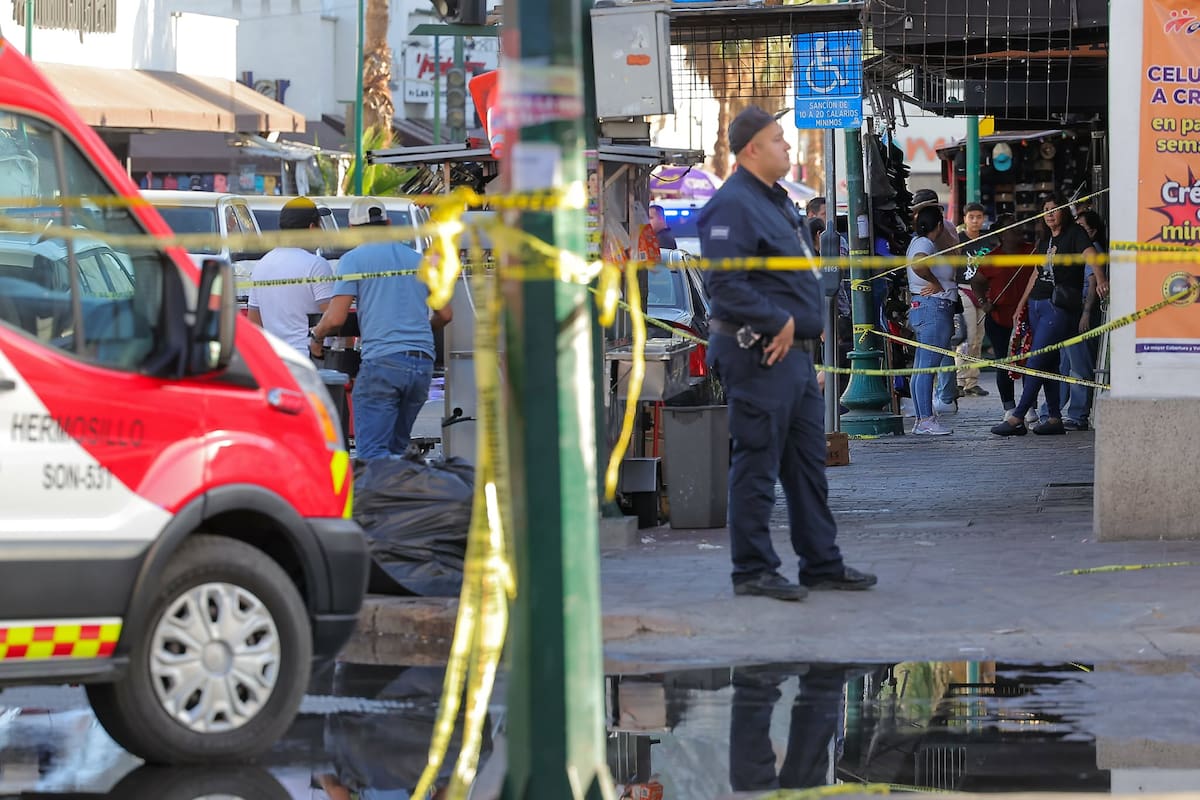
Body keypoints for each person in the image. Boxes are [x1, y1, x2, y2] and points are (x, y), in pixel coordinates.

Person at [698, 105, 876, 602]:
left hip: (794, 356)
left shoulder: (777, 202)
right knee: (757, 462)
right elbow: (724, 285)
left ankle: (821, 563)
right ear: (752, 148)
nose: (788, 145)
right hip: (759, 353)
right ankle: (753, 570)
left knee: (807, 467)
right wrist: (779, 321)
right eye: (778, 138)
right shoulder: (733, 205)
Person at [310, 197, 452, 459]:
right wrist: (420, 332)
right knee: (396, 450)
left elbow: (336, 318)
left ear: (352, 230)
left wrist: (316, 337)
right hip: (421, 366)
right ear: (388, 223)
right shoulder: (419, 260)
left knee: (372, 452)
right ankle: (398, 485)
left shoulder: (353, 260)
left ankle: (377, 487)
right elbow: (445, 314)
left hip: (383, 364)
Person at [991, 193, 1098, 437]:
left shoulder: (1075, 234)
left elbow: (1093, 259)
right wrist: (1021, 305)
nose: (1050, 213)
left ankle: (1018, 415)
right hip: (1037, 305)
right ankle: (1053, 417)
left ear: (1064, 212)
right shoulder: (1045, 239)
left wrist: (1102, 281)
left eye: (1054, 208)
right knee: (1049, 362)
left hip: (1058, 306)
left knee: (1036, 360)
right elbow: (1035, 274)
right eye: (1046, 209)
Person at [246, 197, 334, 359]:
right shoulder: (316, 265)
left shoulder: (262, 265)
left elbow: (254, 322)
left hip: (274, 360)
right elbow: (332, 317)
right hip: (308, 359)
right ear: (312, 228)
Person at [970, 214, 1036, 415]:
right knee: (1004, 363)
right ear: (1001, 234)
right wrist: (983, 302)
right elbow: (977, 282)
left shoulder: (1032, 251)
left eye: (1019, 225)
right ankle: (1009, 407)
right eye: (1011, 227)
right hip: (999, 319)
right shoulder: (991, 258)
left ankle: (1029, 407)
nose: (1018, 229)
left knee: (1029, 363)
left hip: (1028, 318)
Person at [905, 205, 958, 435]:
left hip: (926, 308)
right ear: (939, 225)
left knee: (921, 367)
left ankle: (922, 418)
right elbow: (919, 263)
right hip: (933, 308)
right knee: (927, 367)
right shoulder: (925, 244)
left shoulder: (919, 242)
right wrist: (935, 282)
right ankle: (926, 419)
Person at [955, 202, 992, 397]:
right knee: (967, 337)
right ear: (965, 219)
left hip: (983, 292)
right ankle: (959, 380)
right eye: (971, 217)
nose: (975, 221)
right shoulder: (958, 240)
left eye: (979, 217)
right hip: (963, 289)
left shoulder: (988, 240)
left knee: (978, 338)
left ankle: (972, 382)